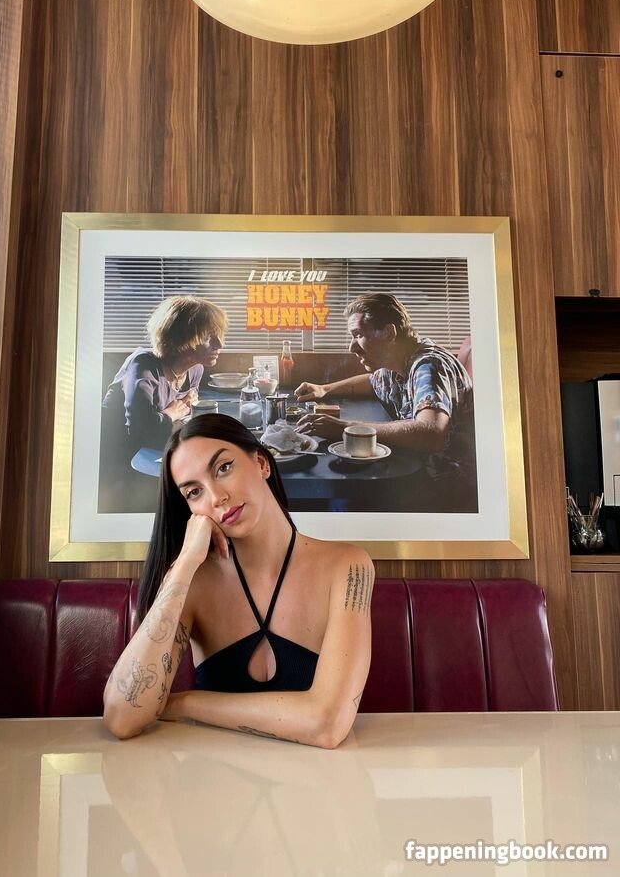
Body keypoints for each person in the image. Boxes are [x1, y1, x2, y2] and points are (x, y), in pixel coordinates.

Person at [103, 414, 373, 748]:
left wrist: (184, 703)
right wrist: (184, 565)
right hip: (214, 777)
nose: (216, 497)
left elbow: (327, 726)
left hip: (321, 779)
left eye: (224, 468)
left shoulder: (347, 567)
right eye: (194, 492)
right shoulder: (195, 584)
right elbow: (122, 718)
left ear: (261, 463)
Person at [294, 292, 476, 503]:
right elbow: (372, 382)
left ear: (389, 333)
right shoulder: (398, 361)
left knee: (338, 498)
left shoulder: (428, 366)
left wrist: (346, 428)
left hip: (445, 486)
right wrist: (324, 389)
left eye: (358, 335)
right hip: (417, 470)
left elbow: (432, 433)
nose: (352, 347)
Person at [99, 296, 228, 512]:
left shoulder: (195, 369)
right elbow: (138, 433)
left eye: (219, 335)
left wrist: (172, 416)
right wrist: (171, 413)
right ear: (182, 339)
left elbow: (178, 417)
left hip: (156, 454)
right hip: (119, 465)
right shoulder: (143, 364)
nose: (220, 344)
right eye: (208, 337)